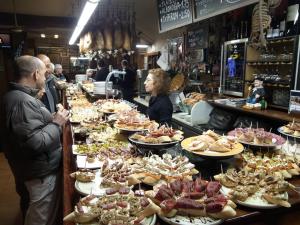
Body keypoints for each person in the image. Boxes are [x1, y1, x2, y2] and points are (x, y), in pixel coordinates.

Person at [1, 55, 70, 225]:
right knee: (40, 219)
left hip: (35, 171)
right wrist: (56, 123)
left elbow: (30, 130)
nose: (46, 77)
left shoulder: (21, 97)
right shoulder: (22, 102)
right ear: (35, 74)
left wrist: (50, 120)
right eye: (44, 73)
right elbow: (34, 143)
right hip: (40, 174)